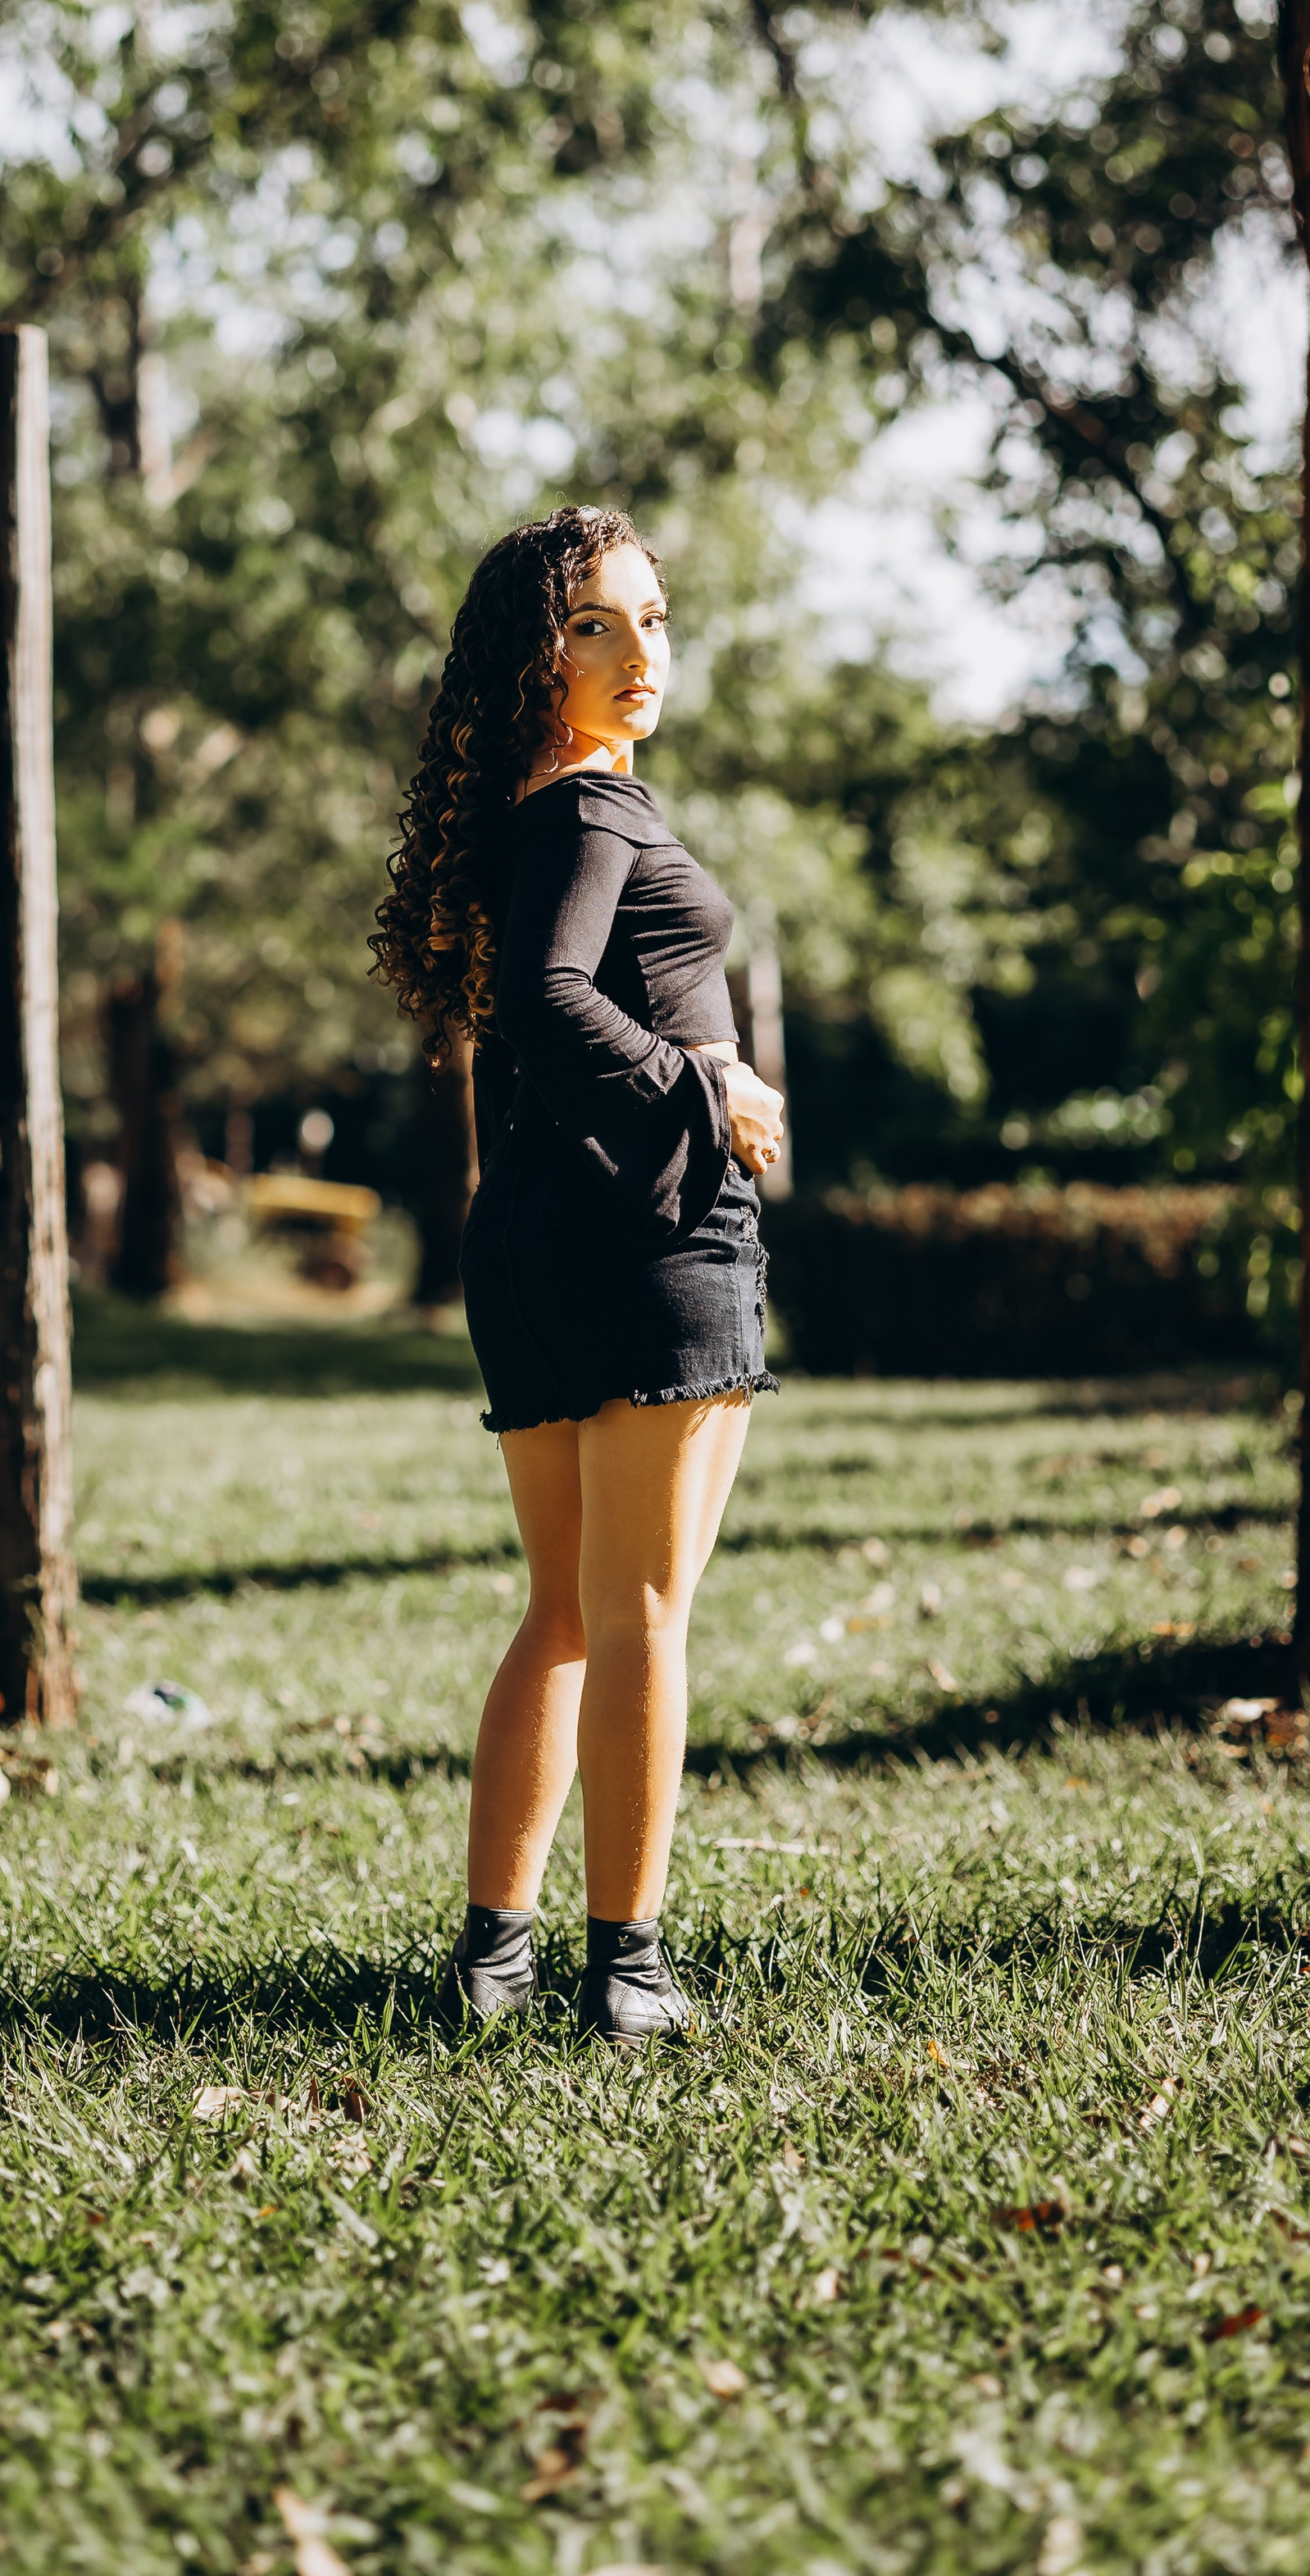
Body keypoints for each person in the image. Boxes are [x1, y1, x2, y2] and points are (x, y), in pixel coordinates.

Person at [371, 505, 787, 2045]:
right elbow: (550, 1004)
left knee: (562, 1609)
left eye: (655, 620)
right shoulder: (597, 816)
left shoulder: (532, 811)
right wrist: (713, 1093)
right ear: (537, 653)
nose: (640, 654)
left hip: (532, 1246)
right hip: (650, 1241)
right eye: (600, 625)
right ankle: (630, 1973)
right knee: (644, 1615)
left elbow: (535, 1011)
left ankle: (494, 1959)